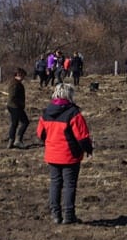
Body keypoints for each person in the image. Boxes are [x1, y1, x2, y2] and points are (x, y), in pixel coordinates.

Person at [37, 83, 93, 225]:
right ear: (70, 95)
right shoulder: (74, 113)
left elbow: (40, 133)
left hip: (52, 154)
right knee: (69, 185)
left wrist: (50, 143)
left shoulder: (46, 112)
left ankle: (55, 214)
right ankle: (69, 215)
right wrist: (88, 149)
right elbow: (82, 136)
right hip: (70, 155)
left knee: (55, 183)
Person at [6, 68, 30, 149]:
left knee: (14, 123)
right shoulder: (15, 84)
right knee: (25, 122)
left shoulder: (14, 82)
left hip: (12, 106)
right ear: (18, 75)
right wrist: (20, 104)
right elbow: (13, 97)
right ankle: (18, 141)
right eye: (23, 75)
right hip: (15, 107)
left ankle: (11, 141)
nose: (23, 77)